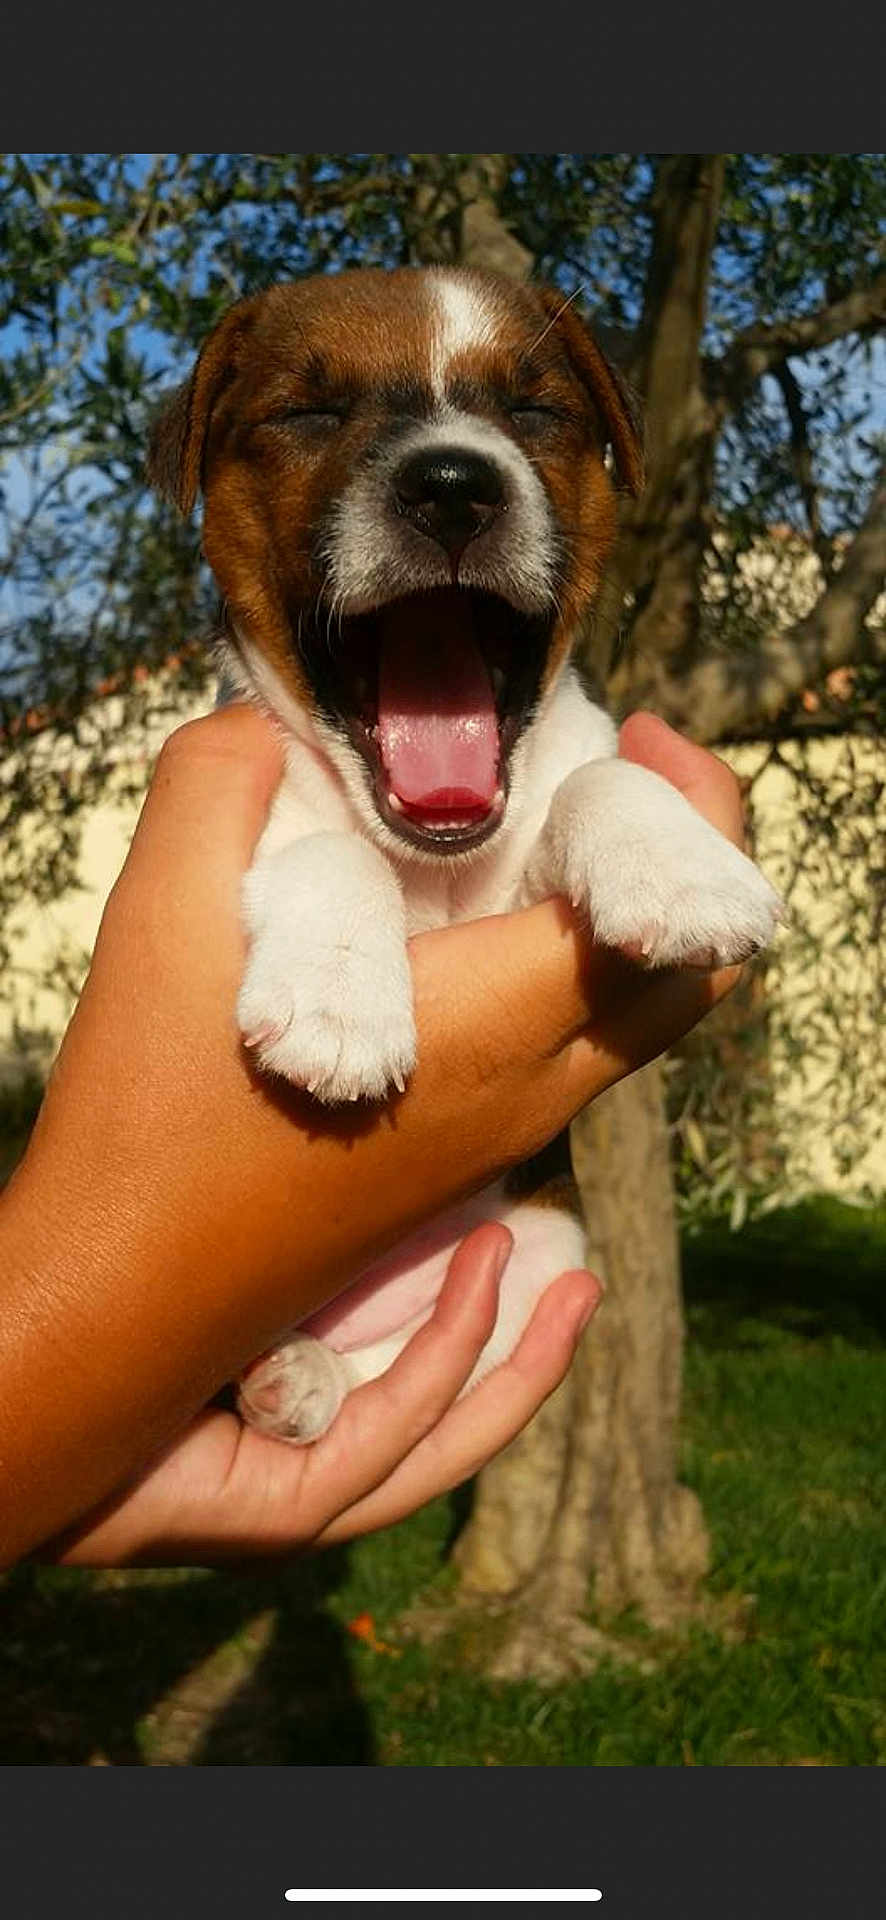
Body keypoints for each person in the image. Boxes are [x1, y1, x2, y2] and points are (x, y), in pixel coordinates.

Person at [0, 703, 745, 1570]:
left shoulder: (573, 747)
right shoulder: (258, 752)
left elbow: (558, 858)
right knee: (328, 861)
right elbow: (277, 880)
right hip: (237, 1283)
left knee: (551, 1262)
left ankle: (349, 1370)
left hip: (463, 1260)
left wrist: (616, 809)